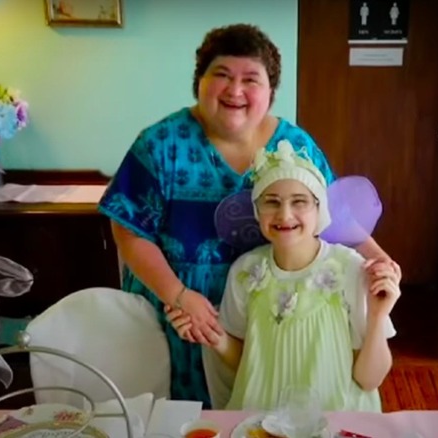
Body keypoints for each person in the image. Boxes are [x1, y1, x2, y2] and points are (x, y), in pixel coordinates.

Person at [98, 23, 400, 407]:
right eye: (221, 75)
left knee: (262, 402)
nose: (235, 90)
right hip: (181, 312)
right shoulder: (160, 144)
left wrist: (379, 260)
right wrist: (178, 294)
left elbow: (331, 213)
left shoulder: (294, 144)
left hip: (268, 316)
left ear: (270, 92)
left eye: (250, 79)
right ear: (199, 82)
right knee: (181, 415)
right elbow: (128, 228)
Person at [169, 142, 400, 412]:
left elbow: (369, 380)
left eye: (299, 202)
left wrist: (376, 317)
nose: (285, 214)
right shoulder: (245, 271)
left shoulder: (349, 268)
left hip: (333, 420)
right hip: (260, 419)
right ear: (257, 211)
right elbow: (246, 363)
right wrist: (212, 335)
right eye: (272, 202)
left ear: (319, 210)